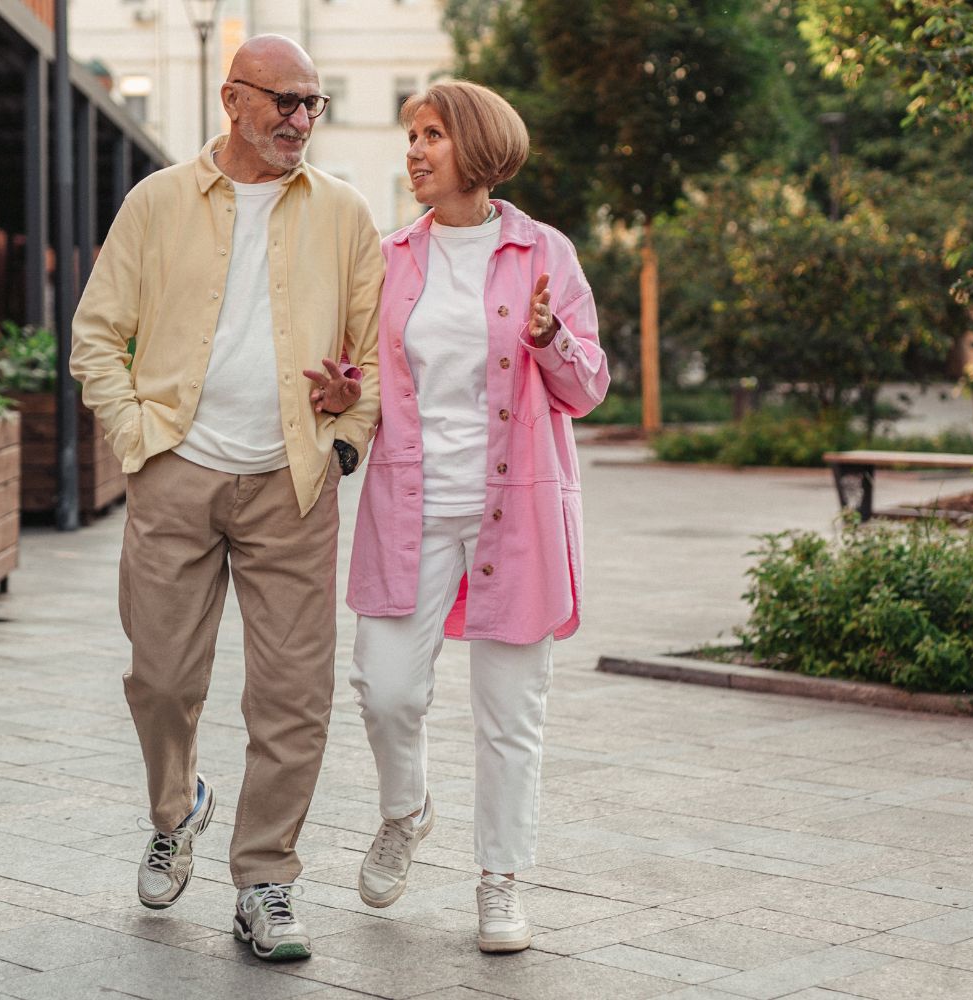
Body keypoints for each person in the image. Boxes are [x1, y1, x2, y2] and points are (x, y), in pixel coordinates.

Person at [68, 34, 381, 962]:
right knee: (160, 677)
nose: (300, 120)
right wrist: (138, 440)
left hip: (292, 481)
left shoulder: (347, 215)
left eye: (312, 104)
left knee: (293, 696)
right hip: (176, 472)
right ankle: (178, 809)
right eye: (284, 101)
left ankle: (266, 881)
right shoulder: (157, 203)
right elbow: (97, 335)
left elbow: (374, 354)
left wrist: (345, 430)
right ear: (232, 100)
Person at [343, 80, 608, 953]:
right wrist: (346, 391)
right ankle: (405, 810)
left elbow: (588, 388)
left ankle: (501, 880)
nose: (414, 151)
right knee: (386, 691)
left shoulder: (546, 254)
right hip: (409, 508)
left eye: (432, 135)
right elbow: (367, 377)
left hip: (515, 513)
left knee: (509, 712)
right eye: (411, 134)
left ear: (479, 148)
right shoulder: (390, 259)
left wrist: (547, 342)